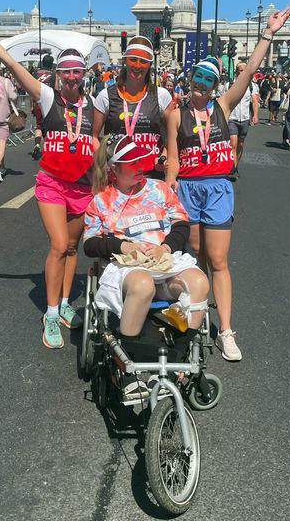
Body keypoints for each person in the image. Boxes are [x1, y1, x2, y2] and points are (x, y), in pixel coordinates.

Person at [0, 0, 92, 349]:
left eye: (78, 71)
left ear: (85, 74)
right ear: (58, 74)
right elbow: (13, 64)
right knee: (59, 245)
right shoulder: (47, 96)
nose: (72, 77)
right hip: (51, 182)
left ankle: (63, 305)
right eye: (67, 71)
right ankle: (50, 312)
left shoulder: (96, 105)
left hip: (83, 186)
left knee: (73, 248)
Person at [166, 8, 290, 361]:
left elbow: (250, 70)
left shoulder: (224, 105)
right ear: (189, 80)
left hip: (218, 187)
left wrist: (268, 33)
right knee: (195, 257)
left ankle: (226, 329)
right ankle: (196, 315)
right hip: (188, 189)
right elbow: (173, 157)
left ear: (216, 85)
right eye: (196, 78)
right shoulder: (176, 115)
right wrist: (170, 187)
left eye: (207, 79)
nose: (200, 84)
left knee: (218, 259)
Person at [84, 134, 209, 398]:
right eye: (131, 164)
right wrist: (122, 246)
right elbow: (90, 244)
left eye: (141, 160)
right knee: (142, 284)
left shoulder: (159, 189)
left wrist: (165, 247)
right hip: (128, 268)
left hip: (164, 261)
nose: (140, 166)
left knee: (199, 283)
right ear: (113, 170)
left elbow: (180, 223)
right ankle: (129, 366)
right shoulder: (102, 201)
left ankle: (179, 359)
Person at [93, 36, 174, 179]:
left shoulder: (162, 96)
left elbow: (172, 135)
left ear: (150, 64)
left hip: (151, 176)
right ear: (125, 61)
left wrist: (164, 156)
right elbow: (93, 136)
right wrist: (104, 162)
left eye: (143, 61)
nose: (137, 66)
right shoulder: (105, 96)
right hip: (118, 178)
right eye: (133, 59)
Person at [227, 62, 259, 179]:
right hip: (232, 118)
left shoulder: (251, 86)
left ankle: (236, 165)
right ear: (236, 72)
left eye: (244, 71)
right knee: (233, 144)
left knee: (240, 144)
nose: (242, 73)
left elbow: (255, 101)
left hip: (245, 118)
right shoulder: (230, 85)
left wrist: (255, 115)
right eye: (240, 70)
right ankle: (232, 169)